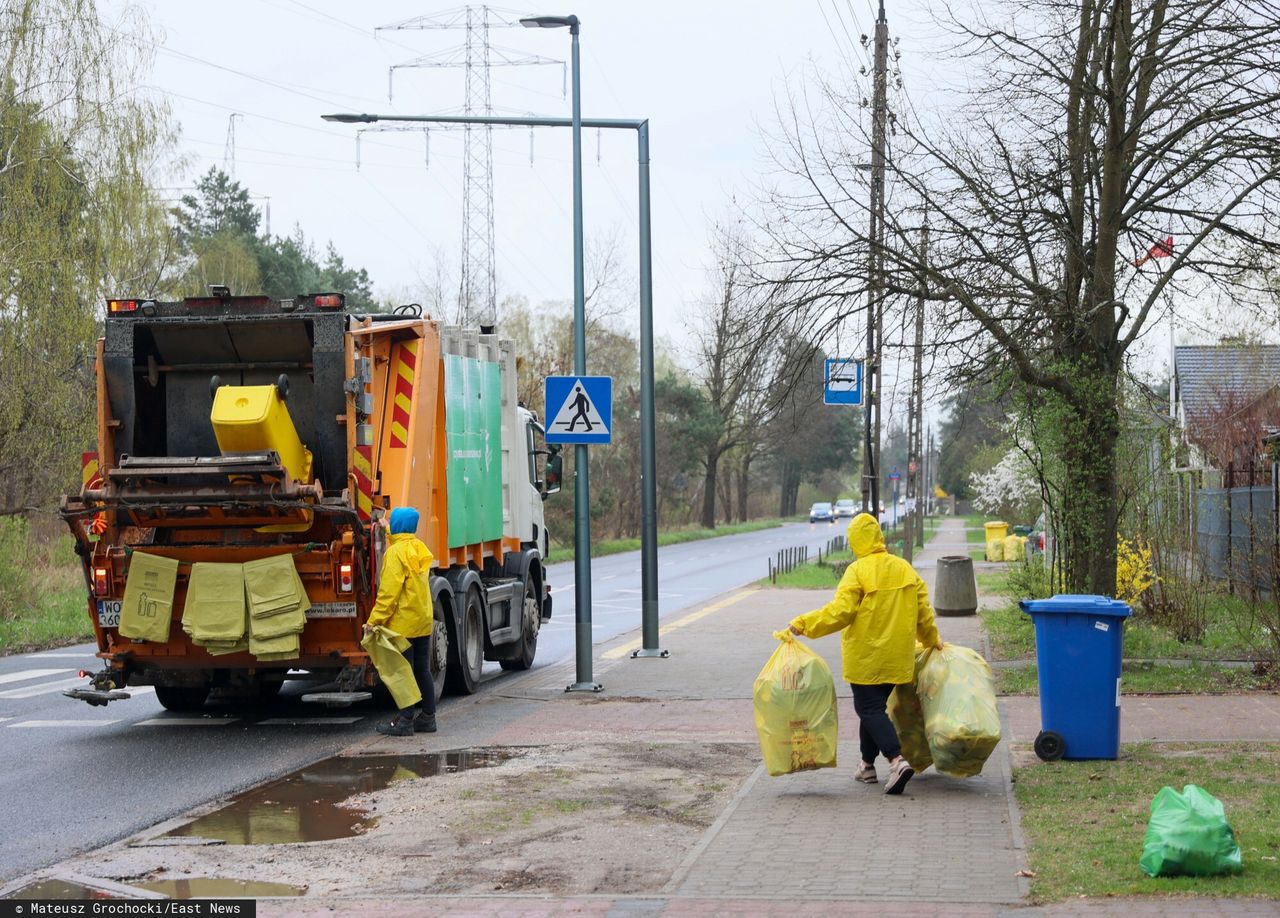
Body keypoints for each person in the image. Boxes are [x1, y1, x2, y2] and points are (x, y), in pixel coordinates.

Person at [789, 512, 942, 795]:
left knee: (868, 709)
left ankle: (896, 761)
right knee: (874, 710)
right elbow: (924, 613)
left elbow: (840, 612)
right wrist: (933, 640)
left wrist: (805, 624)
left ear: (856, 541)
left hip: (866, 657)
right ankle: (866, 766)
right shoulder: (905, 569)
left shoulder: (857, 571)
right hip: (898, 657)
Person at [364, 506, 438, 736]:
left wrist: (374, 621)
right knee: (422, 670)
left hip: (403, 623)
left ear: (397, 525)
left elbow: (389, 594)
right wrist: (387, 528)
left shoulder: (394, 554)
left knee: (402, 671)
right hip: (423, 619)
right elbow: (400, 539)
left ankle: (405, 720)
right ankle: (427, 717)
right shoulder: (418, 547)